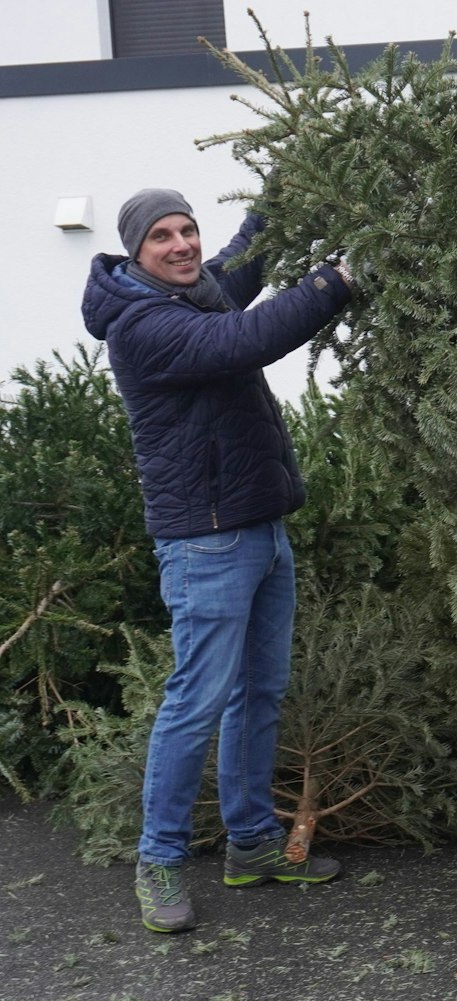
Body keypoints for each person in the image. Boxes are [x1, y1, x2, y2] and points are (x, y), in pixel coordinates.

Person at [80, 189, 354, 934]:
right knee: (196, 701)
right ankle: (158, 861)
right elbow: (247, 339)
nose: (182, 245)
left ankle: (254, 844)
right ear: (135, 252)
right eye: (162, 237)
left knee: (258, 693)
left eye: (188, 229)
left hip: (260, 527)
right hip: (204, 542)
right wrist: (338, 279)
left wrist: (286, 182)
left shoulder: (196, 291)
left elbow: (247, 258)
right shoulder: (144, 324)